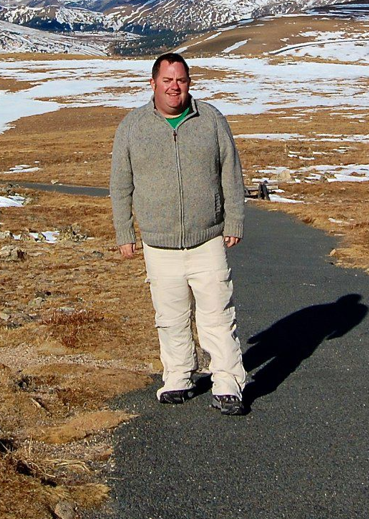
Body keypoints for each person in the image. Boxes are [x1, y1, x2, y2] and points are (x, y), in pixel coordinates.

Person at [110, 53, 247, 415]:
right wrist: (125, 231)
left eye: (181, 80)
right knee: (170, 317)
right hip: (159, 242)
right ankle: (178, 377)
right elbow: (121, 184)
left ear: (189, 83)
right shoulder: (132, 127)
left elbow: (230, 172)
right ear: (153, 83)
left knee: (217, 314)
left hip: (207, 239)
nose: (175, 86)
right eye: (168, 79)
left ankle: (228, 382)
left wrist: (233, 219)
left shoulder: (211, 120)